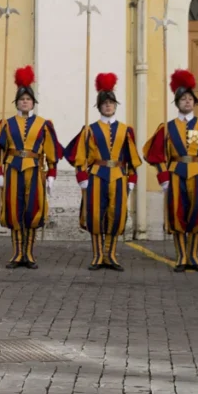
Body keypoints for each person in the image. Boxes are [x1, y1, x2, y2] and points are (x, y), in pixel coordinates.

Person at [142, 69, 198, 272]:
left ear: (194, 103)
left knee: (197, 215)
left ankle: (194, 256)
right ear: (177, 103)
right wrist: (163, 177)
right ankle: (181, 257)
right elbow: (156, 155)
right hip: (176, 174)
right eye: (183, 99)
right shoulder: (167, 128)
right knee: (178, 215)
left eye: (190, 99)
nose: (187, 102)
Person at [0, 66, 63, 269]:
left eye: (28, 99)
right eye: (21, 99)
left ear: (33, 102)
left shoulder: (44, 124)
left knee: (32, 211)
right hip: (12, 170)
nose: (25, 102)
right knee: (14, 211)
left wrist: (52, 174)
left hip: (35, 170)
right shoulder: (6, 124)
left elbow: (52, 152)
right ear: (17, 102)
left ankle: (29, 254)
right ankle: (17, 254)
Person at [64, 73, 142, 271]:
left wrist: (131, 178)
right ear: (99, 106)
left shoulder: (126, 130)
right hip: (97, 175)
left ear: (115, 106)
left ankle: (111, 255)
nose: (108, 106)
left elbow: (130, 156)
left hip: (118, 175)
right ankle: (98, 256)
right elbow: (80, 155)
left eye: (111, 103)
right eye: (105, 103)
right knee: (96, 215)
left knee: (116, 215)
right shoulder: (89, 130)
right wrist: (82, 177)